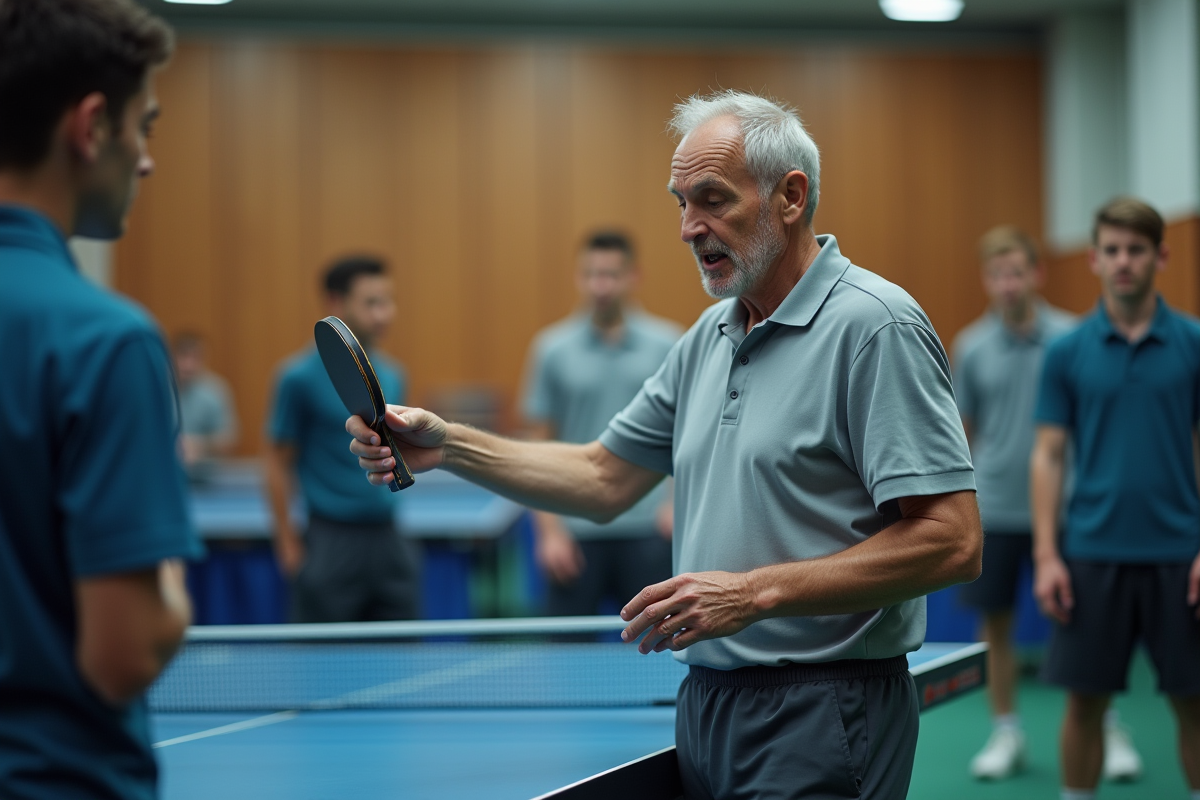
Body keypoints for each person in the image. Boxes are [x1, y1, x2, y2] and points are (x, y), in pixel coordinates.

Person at [348, 90, 983, 798]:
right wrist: (451, 447)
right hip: (708, 701)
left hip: (826, 704)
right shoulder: (709, 338)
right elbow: (602, 476)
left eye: (711, 200)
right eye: (681, 202)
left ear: (790, 197)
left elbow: (952, 540)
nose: (688, 227)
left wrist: (753, 594)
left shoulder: (875, 327)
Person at [0, 1, 201, 798]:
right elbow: (123, 657)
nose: (147, 159)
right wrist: (174, 588)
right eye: (143, 126)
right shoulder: (102, 339)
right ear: (90, 127)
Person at [1032, 197, 1200, 800]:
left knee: (1193, 704)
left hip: (1181, 559)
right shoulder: (1066, 352)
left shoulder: (1194, 344)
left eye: (1136, 249)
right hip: (1091, 556)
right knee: (1085, 703)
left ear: (1161, 255)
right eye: (1113, 250)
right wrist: (1049, 555)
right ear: (1095, 259)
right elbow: (1049, 455)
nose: (1124, 261)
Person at [952, 226, 1080, 779]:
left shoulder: (1074, 339)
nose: (1008, 284)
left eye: (1017, 272)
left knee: (1082, 623)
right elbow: (965, 430)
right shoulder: (971, 346)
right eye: (997, 274)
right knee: (996, 626)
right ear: (988, 279)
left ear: (1036, 273)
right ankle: (1007, 731)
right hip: (998, 505)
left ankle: (1108, 723)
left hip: (1070, 506)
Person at [521, 230, 681, 616]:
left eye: (610, 274)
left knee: (658, 661)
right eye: (590, 274)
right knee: (567, 664)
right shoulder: (551, 349)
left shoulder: (670, 344)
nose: (600, 285)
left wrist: (675, 505)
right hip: (576, 536)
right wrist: (549, 533)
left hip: (649, 534)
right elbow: (537, 448)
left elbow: (686, 435)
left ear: (633, 277)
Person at [265, 255, 420, 623]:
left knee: (401, 658)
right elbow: (275, 462)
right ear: (336, 303)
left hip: (390, 539)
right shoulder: (296, 377)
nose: (385, 313)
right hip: (329, 541)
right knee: (324, 668)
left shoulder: (396, 374)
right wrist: (287, 544)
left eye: (389, 301)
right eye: (372, 303)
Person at [172, 330, 239, 481]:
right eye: (183, 356)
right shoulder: (157, 389)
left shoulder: (216, 391)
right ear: (172, 357)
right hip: (165, 478)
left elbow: (229, 440)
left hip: (206, 480)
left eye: (195, 357)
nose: (188, 364)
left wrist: (199, 446)